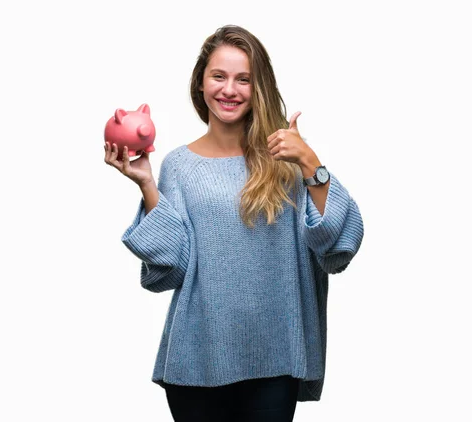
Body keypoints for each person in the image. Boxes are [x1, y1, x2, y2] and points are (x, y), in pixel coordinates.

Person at [104, 24, 364, 422]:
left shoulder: (287, 156)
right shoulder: (178, 165)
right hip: (196, 361)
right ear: (201, 83)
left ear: (258, 87)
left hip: (277, 357)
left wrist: (311, 162)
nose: (230, 89)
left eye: (244, 79)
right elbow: (169, 270)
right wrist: (147, 183)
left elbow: (337, 248)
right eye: (219, 76)